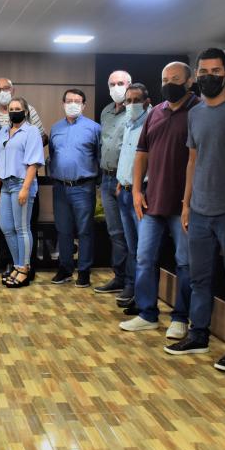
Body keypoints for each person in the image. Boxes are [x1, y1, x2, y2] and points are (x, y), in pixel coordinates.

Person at [164, 48, 225, 374]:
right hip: (200, 211)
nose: (209, 77)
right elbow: (193, 161)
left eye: (216, 71)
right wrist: (186, 204)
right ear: (197, 75)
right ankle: (199, 335)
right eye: (204, 72)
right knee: (199, 277)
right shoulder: (196, 114)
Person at [120, 62, 200, 339]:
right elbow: (141, 153)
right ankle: (147, 313)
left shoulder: (199, 111)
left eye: (175, 79)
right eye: (165, 79)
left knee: (184, 263)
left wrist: (189, 202)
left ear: (189, 82)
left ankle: (181, 318)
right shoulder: (155, 113)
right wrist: (136, 191)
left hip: (184, 205)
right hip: (152, 200)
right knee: (144, 258)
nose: (169, 84)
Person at [0, 77, 47, 278]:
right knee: (6, 228)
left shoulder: (31, 131)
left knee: (22, 228)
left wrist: (25, 188)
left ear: (25, 111)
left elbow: (34, 163)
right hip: (4, 185)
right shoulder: (4, 131)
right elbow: (0, 160)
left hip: (22, 183)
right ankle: (17, 264)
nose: (13, 112)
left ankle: (24, 268)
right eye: (11, 110)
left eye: (17, 109)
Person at [48, 89, 101, 288]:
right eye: (69, 101)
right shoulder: (55, 128)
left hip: (83, 188)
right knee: (63, 230)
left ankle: (84, 271)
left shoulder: (94, 128)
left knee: (85, 231)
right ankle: (65, 268)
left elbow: (100, 156)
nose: (72, 104)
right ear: (63, 104)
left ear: (84, 105)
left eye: (77, 101)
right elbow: (52, 155)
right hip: (60, 187)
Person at [97, 70, 135, 304]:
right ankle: (119, 277)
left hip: (127, 182)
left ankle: (132, 283)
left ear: (129, 84)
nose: (116, 88)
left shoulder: (137, 111)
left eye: (120, 83)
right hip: (107, 179)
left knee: (130, 235)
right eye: (112, 84)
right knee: (115, 233)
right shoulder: (106, 112)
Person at [115, 83, 152, 314]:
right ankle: (134, 291)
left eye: (135, 100)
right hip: (125, 191)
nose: (131, 105)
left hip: (142, 193)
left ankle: (143, 299)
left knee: (144, 251)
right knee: (132, 247)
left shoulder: (152, 122)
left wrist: (139, 189)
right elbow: (127, 155)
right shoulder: (129, 122)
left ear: (146, 102)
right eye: (128, 101)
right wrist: (121, 181)